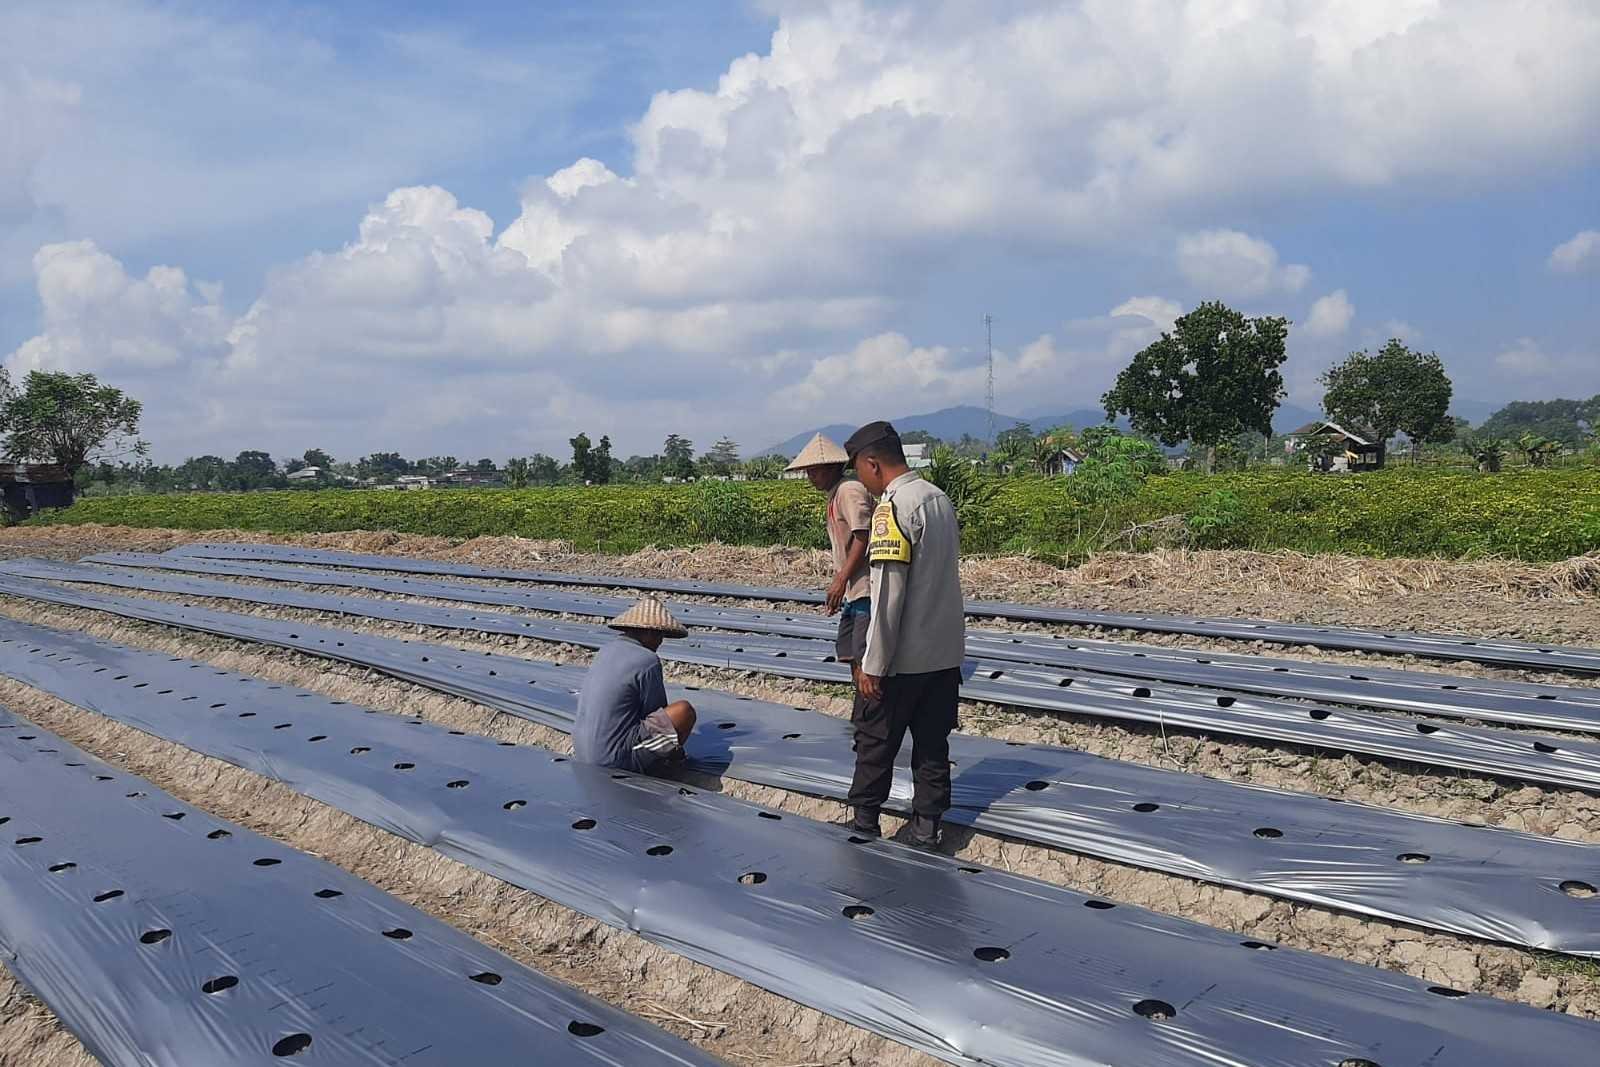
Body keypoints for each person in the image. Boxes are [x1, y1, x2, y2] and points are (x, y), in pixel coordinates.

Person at [842, 420, 965, 849]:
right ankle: (927, 827)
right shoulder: (939, 499)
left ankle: (864, 824)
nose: (861, 480)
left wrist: (873, 664)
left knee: (874, 739)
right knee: (932, 744)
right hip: (943, 655)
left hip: (903, 660)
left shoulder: (893, 509)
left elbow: (887, 596)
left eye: (860, 470)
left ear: (873, 463)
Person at [784, 433, 876, 688]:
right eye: (808, 472)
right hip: (854, 590)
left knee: (865, 658)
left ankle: (870, 705)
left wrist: (840, 579)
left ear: (833, 467)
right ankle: (863, 702)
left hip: (866, 587)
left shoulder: (849, 491)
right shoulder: (836, 494)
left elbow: (864, 534)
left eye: (815, 471)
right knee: (850, 653)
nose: (810, 477)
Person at [572, 597, 697, 773]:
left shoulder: (606, 650)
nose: (660, 642)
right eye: (659, 636)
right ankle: (667, 764)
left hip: (582, 752)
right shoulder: (647, 660)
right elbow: (656, 713)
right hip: (613, 759)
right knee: (683, 712)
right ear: (649, 633)